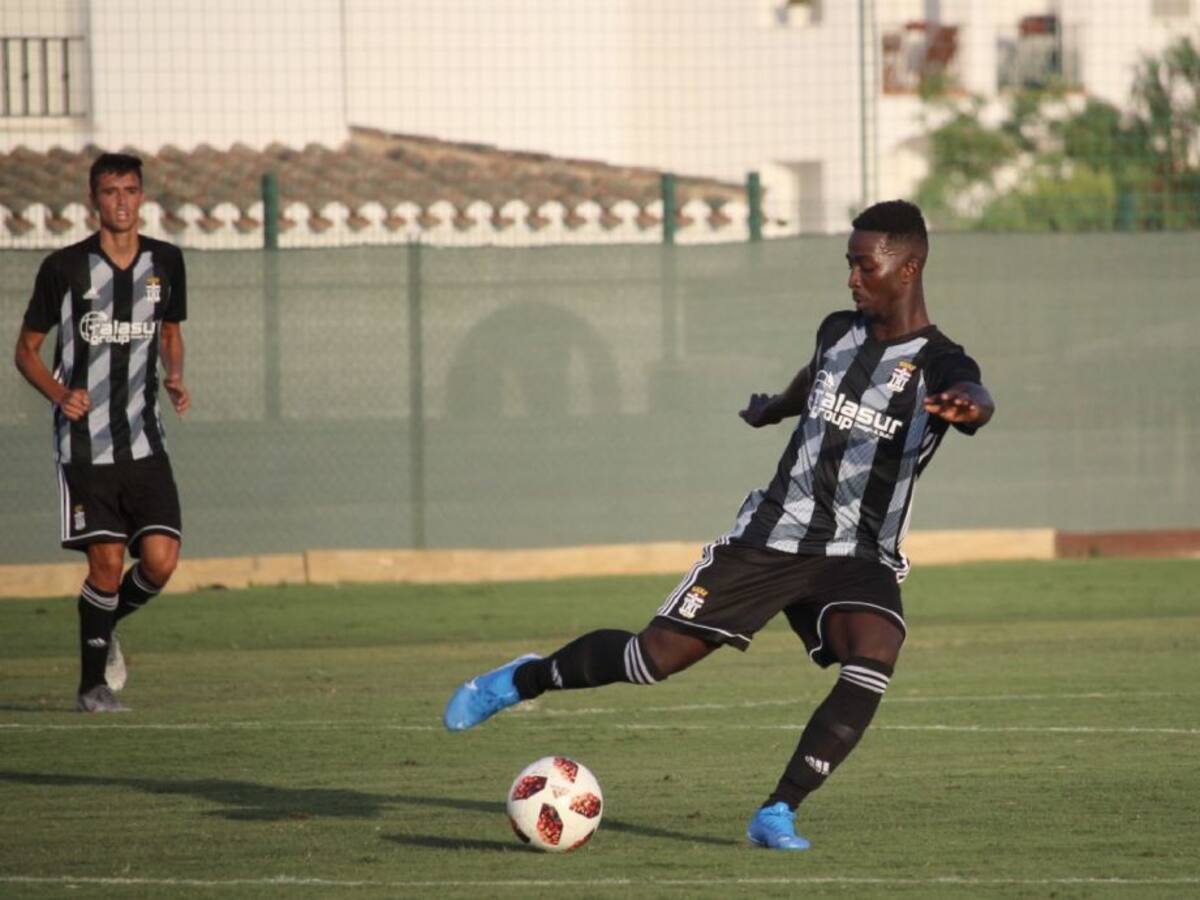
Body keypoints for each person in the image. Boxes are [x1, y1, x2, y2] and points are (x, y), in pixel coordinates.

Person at [442, 199, 994, 849]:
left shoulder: (940, 364)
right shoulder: (836, 330)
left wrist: (971, 408)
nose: (851, 277)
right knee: (651, 661)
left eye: (863, 265)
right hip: (772, 536)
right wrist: (777, 408)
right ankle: (520, 679)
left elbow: (977, 395)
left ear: (909, 268)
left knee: (875, 651)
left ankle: (777, 811)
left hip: (860, 552)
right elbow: (816, 377)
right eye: (848, 263)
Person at [14, 152, 190, 713]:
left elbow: (170, 332)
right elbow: (26, 351)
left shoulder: (166, 261)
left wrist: (176, 375)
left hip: (145, 440)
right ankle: (93, 687)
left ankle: (104, 620)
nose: (121, 201)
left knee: (161, 561)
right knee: (107, 566)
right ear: (93, 199)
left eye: (131, 190)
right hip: (85, 444)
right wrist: (60, 394)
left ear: (142, 197)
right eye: (110, 191)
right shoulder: (64, 268)